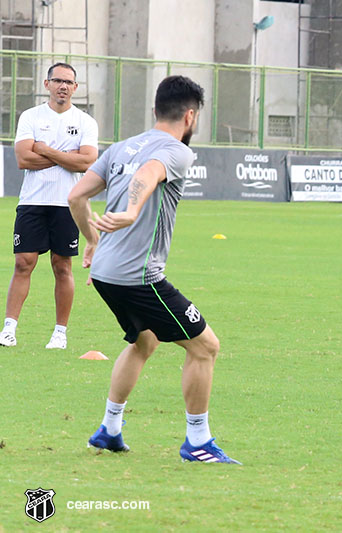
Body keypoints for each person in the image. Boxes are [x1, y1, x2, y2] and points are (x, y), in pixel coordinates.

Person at [67, 75, 239, 464]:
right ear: (191, 116)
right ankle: (198, 442)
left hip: (106, 273)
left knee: (144, 341)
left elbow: (76, 195)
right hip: (139, 276)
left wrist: (91, 241)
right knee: (205, 346)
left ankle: (109, 430)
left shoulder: (122, 146)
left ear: (155, 110)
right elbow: (148, 175)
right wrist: (130, 210)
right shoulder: (177, 150)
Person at [2, 62, 99, 349]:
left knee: (62, 266)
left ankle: (60, 333)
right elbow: (23, 160)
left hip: (67, 204)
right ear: (47, 84)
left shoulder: (85, 122)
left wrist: (44, 149)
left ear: (76, 88)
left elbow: (87, 161)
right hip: (32, 201)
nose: (63, 86)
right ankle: (9, 329)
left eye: (68, 82)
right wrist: (65, 157)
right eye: (57, 80)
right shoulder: (31, 117)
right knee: (23, 263)